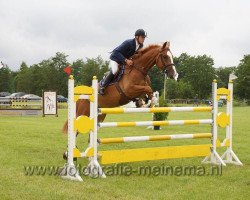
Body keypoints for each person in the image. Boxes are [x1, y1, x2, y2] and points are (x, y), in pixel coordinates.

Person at [99, 29, 147, 95]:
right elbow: (116, 52)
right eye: (142, 37)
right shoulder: (128, 43)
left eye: (144, 37)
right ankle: (103, 86)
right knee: (115, 70)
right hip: (115, 59)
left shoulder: (140, 46)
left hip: (124, 61)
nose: (143, 39)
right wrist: (126, 60)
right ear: (137, 37)